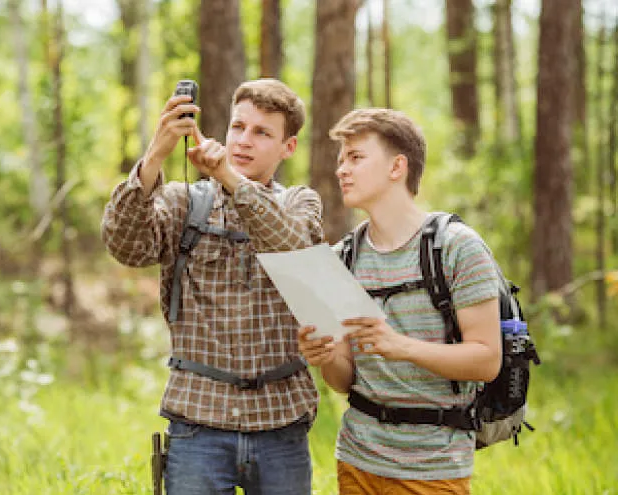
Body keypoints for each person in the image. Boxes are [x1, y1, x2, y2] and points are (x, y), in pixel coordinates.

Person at [101, 79, 323, 495]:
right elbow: (125, 247)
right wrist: (155, 155)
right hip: (198, 423)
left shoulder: (300, 203)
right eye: (238, 127)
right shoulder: (186, 202)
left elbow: (296, 249)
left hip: (281, 424)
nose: (244, 141)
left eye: (262, 132)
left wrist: (228, 177)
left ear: (287, 147)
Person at [297, 108, 501, 494]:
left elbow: (487, 360)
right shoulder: (342, 257)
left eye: (356, 157)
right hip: (357, 460)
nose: (342, 169)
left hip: (435, 468)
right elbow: (343, 381)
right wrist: (325, 355)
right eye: (341, 160)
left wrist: (400, 346)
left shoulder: (458, 248)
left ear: (397, 167)